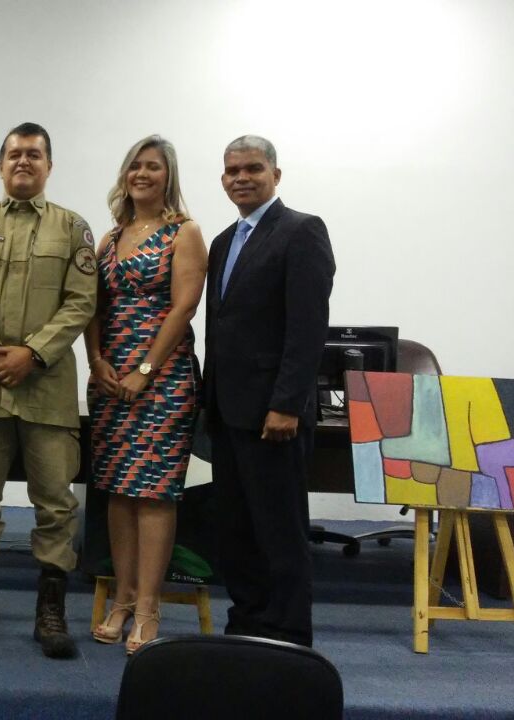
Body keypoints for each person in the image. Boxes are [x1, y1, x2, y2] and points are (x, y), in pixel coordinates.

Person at [0, 123, 99, 659]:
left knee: (56, 503)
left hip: (47, 387)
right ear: (0, 163)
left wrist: (31, 352)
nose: (23, 162)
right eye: (14, 154)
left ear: (49, 165)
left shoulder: (73, 229)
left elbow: (82, 302)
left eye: (34, 155)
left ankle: (51, 613)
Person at [205, 135, 334, 647]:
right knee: (236, 529)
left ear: (275, 175)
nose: (242, 177)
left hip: (272, 416)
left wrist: (286, 405)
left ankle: (287, 634)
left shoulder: (301, 231)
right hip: (228, 410)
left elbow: (307, 330)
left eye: (253, 168)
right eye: (232, 170)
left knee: (279, 531)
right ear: (222, 180)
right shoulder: (221, 242)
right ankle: (249, 620)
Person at [83, 135, 207, 654]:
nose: (142, 174)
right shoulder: (110, 238)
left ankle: (150, 608)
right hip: (111, 378)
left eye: (153, 167)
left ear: (167, 175)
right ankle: (122, 600)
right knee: (116, 488)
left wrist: (147, 370)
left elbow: (183, 307)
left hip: (164, 379)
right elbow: (90, 303)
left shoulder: (184, 232)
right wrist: (96, 361)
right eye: (135, 166)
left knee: (153, 490)